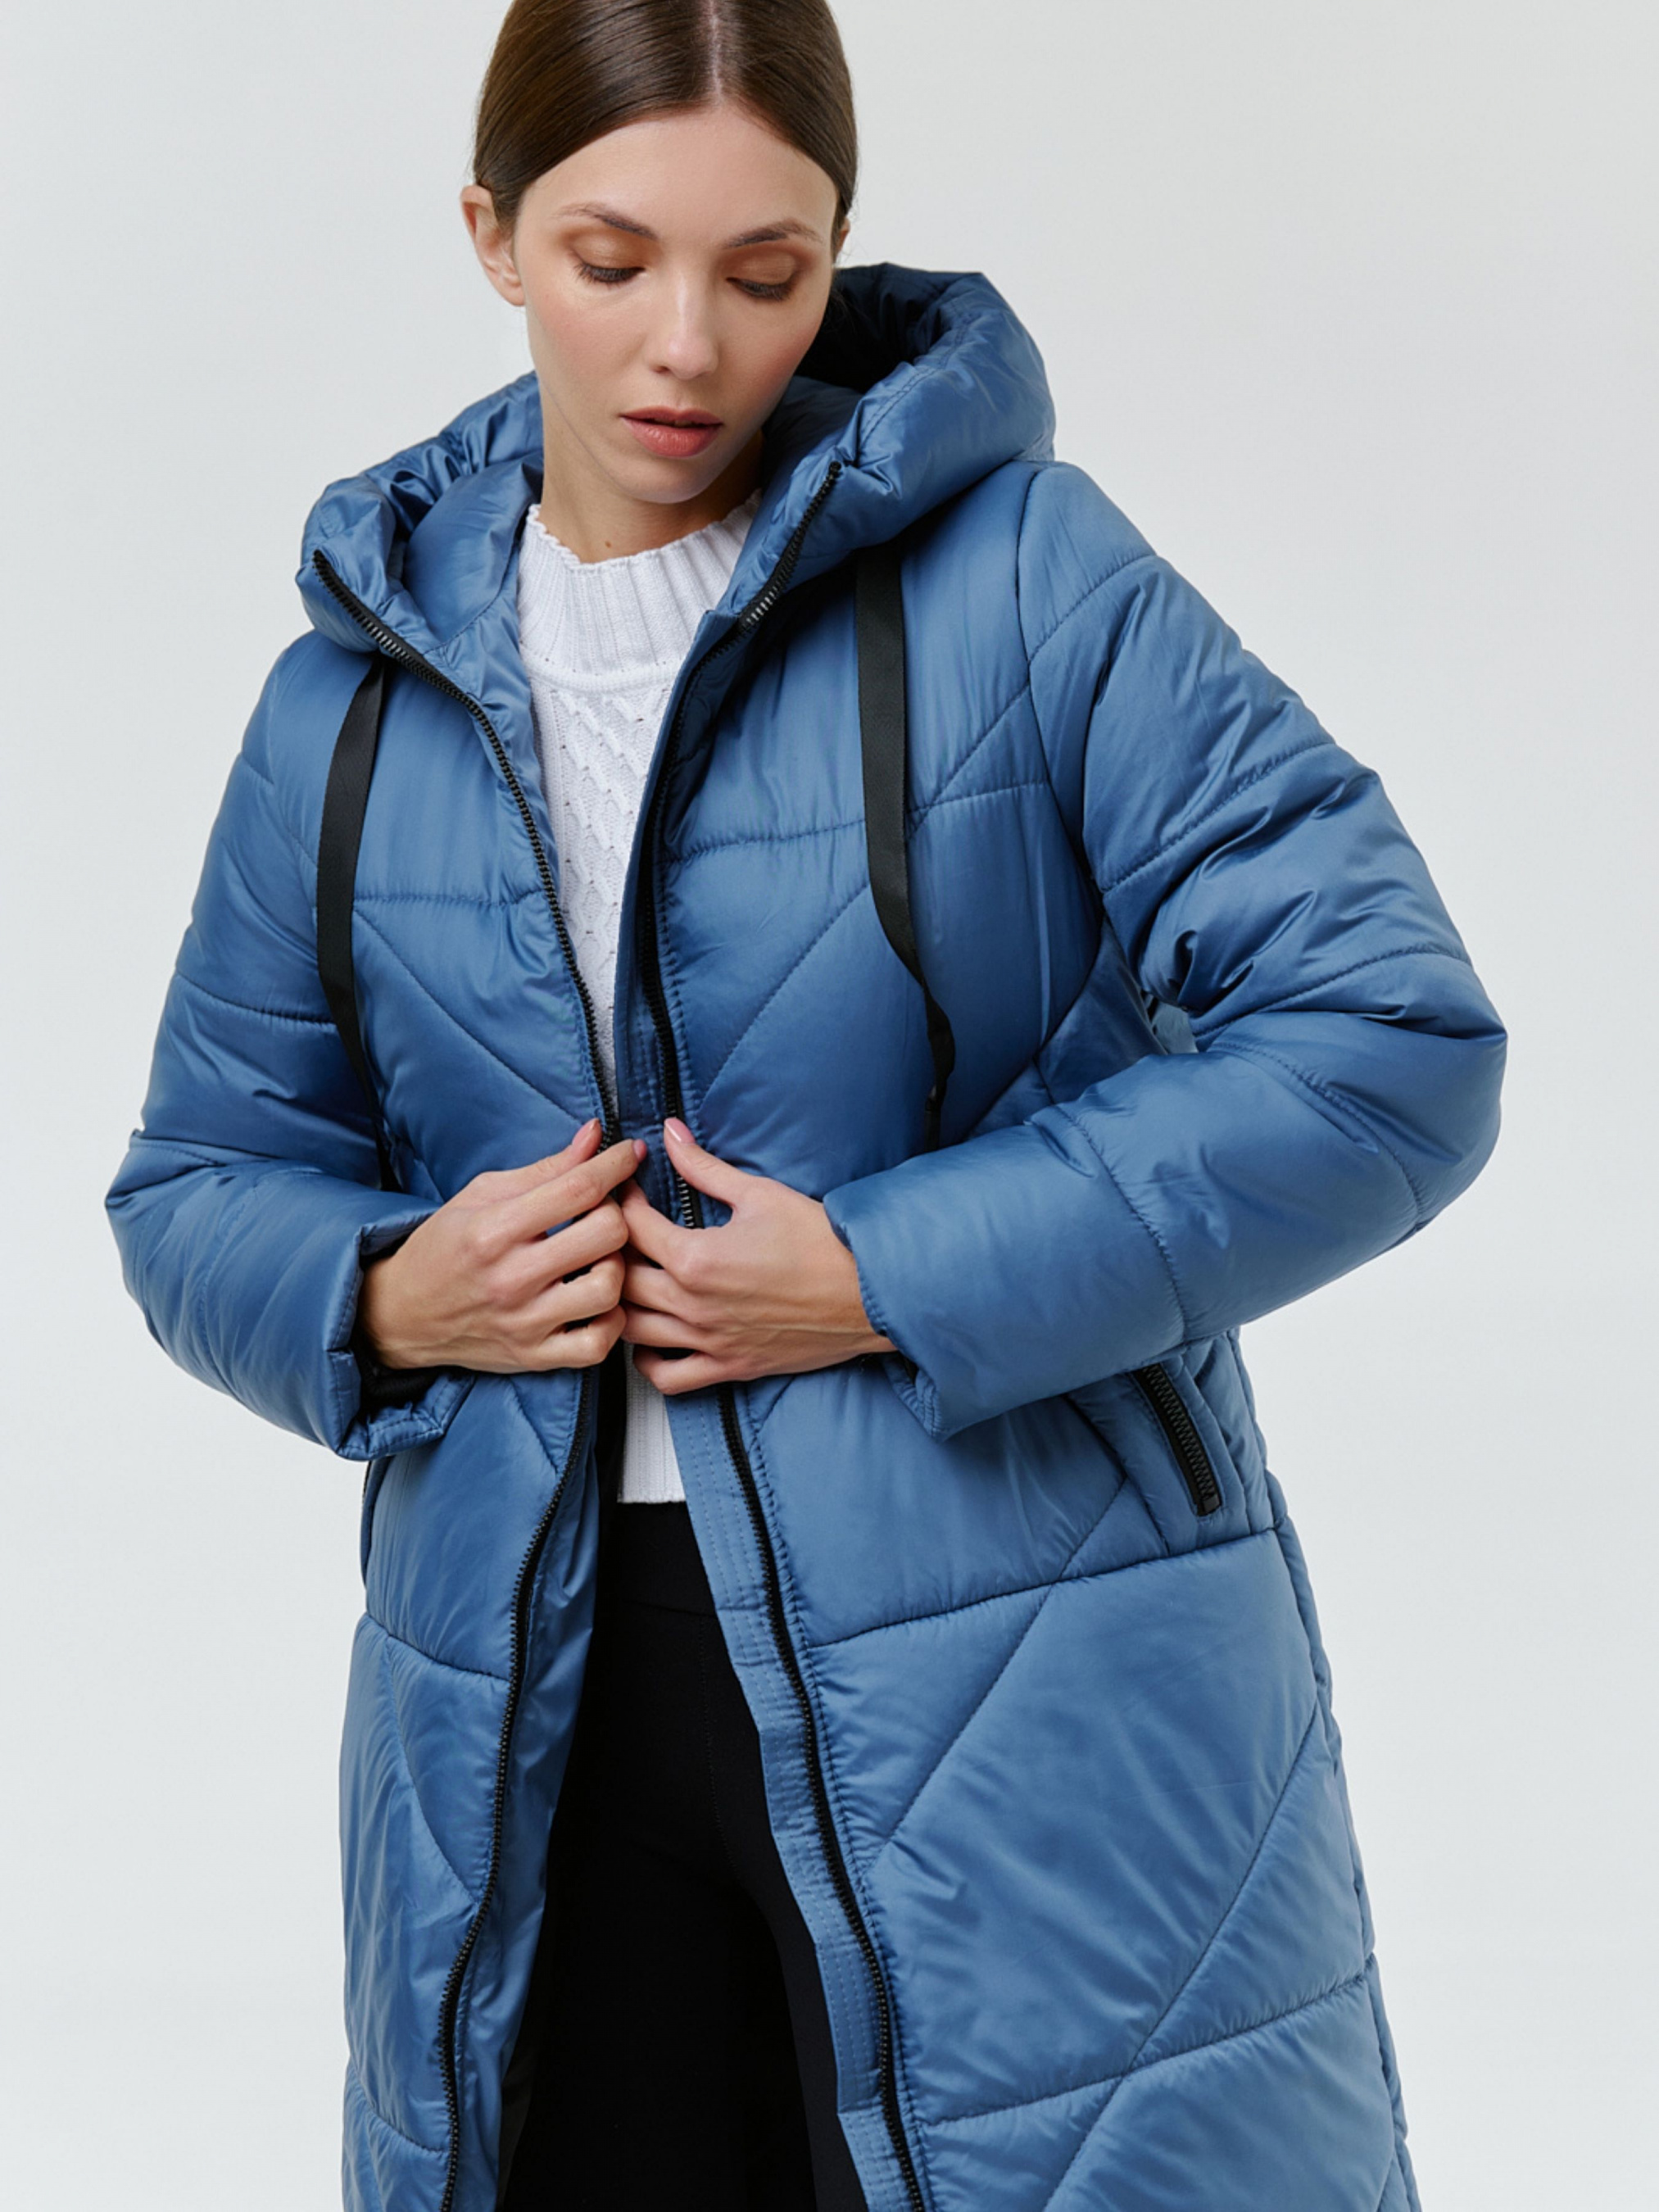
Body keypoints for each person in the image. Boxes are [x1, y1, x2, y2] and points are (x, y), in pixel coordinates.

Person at [104, 1, 1507, 2207]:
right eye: (611, 260)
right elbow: (195, 1180)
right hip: (527, 1710)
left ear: (834, 254)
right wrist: (384, 1292)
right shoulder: (343, 707)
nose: (689, 346)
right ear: (491, 237)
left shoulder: (1026, 582)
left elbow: (1388, 1037)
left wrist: (880, 1271)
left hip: (1017, 1661)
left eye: (766, 273)